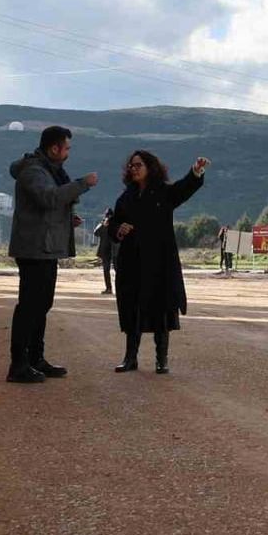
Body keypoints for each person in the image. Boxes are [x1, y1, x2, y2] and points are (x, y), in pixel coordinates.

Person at [5, 126, 98, 384]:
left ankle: (35, 359)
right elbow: (48, 198)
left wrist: (67, 219)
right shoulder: (34, 170)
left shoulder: (47, 170)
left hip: (45, 248)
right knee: (29, 307)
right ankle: (19, 364)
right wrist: (82, 184)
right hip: (34, 249)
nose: (68, 153)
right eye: (66, 148)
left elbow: (50, 206)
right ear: (53, 148)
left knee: (41, 305)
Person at [109, 151, 210, 374]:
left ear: (150, 167)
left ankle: (161, 359)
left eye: (138, 165)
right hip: (132, 262)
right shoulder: (125, 198)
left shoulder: (164, 192)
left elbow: (184, 189)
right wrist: (118, 228)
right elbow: (113, 224)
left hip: (159, 262)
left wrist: (196, 172)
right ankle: (130, 359)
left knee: (161, 309)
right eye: (131, 166)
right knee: (132, 308)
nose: (133, 169)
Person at [92, 207, 117, 294]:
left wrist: (103, 224)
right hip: (109, 251)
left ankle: (111, 288)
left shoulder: (115, 224)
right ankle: (109, 288)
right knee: (108, 270)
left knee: (113, 270)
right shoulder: (105, 225)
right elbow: (96, 233)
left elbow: (96, 233)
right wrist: (103, 224)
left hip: (113, 250)